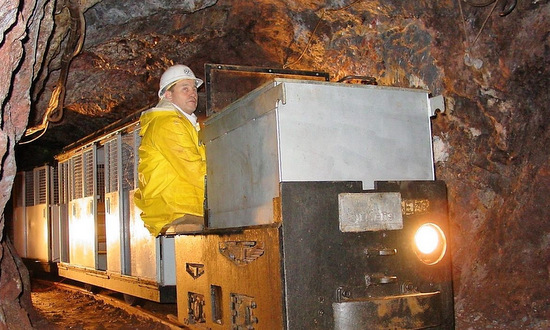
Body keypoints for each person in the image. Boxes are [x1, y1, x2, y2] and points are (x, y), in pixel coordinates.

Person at [134, 64, 206, 236]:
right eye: (185, 89)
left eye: (194, 89)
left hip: (180, 206)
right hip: (175, 208)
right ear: (168, 95)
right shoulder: (169, 124)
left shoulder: (183, 123)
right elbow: (195, 170)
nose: (192, 93)